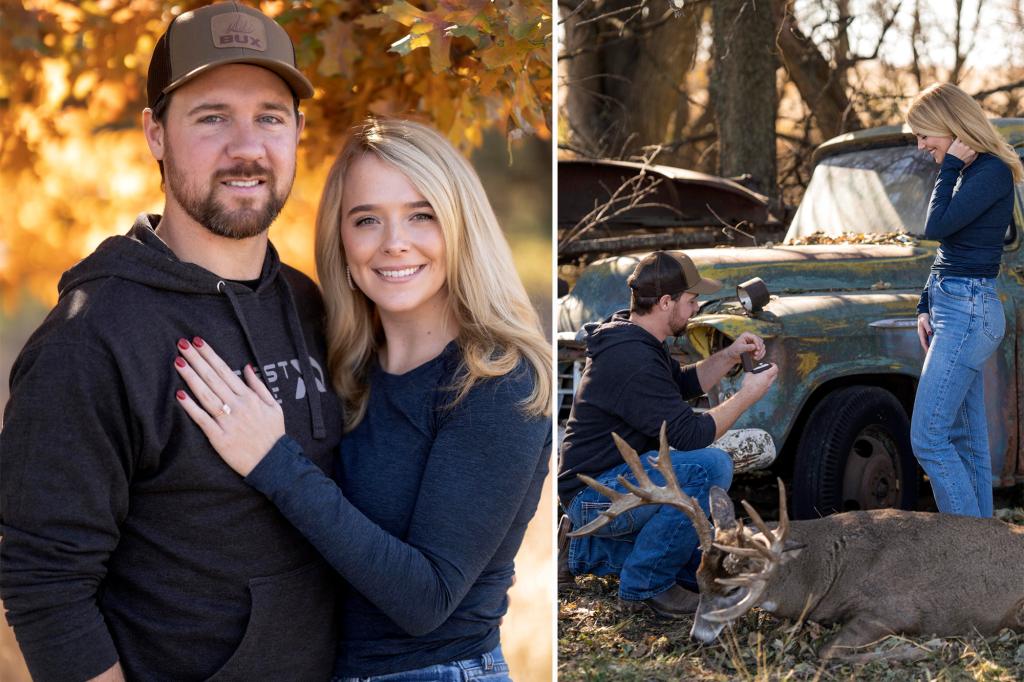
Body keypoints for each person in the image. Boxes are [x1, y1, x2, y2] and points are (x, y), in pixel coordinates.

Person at [0, 4, 345, 680]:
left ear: (299, 132)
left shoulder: (308, 304)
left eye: (270, 117)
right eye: (212, 117)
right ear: (155, 133)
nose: (246, 148)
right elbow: (45, 583)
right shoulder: (92, 336)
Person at [172, 118, 553, 681]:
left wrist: (273, 461)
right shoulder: (349, 368)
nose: (394, 241)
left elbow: (426, 599)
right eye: (367, 219)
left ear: (461, 225)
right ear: (342, 241)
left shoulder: (497, 381)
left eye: (421, 215)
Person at [558, 250, 778, 618]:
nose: (695, 309)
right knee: (710, 467)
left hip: (611, 485)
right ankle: (645, 586)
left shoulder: (635, 338)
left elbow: (682, 383)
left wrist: (729, 355)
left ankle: (579, 550)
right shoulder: (631, 358)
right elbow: (691, 435)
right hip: (596, 495)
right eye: (691, 301)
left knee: (697, 564)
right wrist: (747, 395)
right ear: (665, 302)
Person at [907, 83, 1024, 517]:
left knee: (928, 438)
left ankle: (965, 546)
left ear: (951, 126)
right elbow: (950, 249)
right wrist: (925, 304)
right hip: (954, 307)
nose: (921, 146)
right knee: (965, 440)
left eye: (924, 135)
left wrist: (951, 165)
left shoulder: (989, 171)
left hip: (968, 311)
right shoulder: (971, 172)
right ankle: (984, 547)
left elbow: (936, 226)